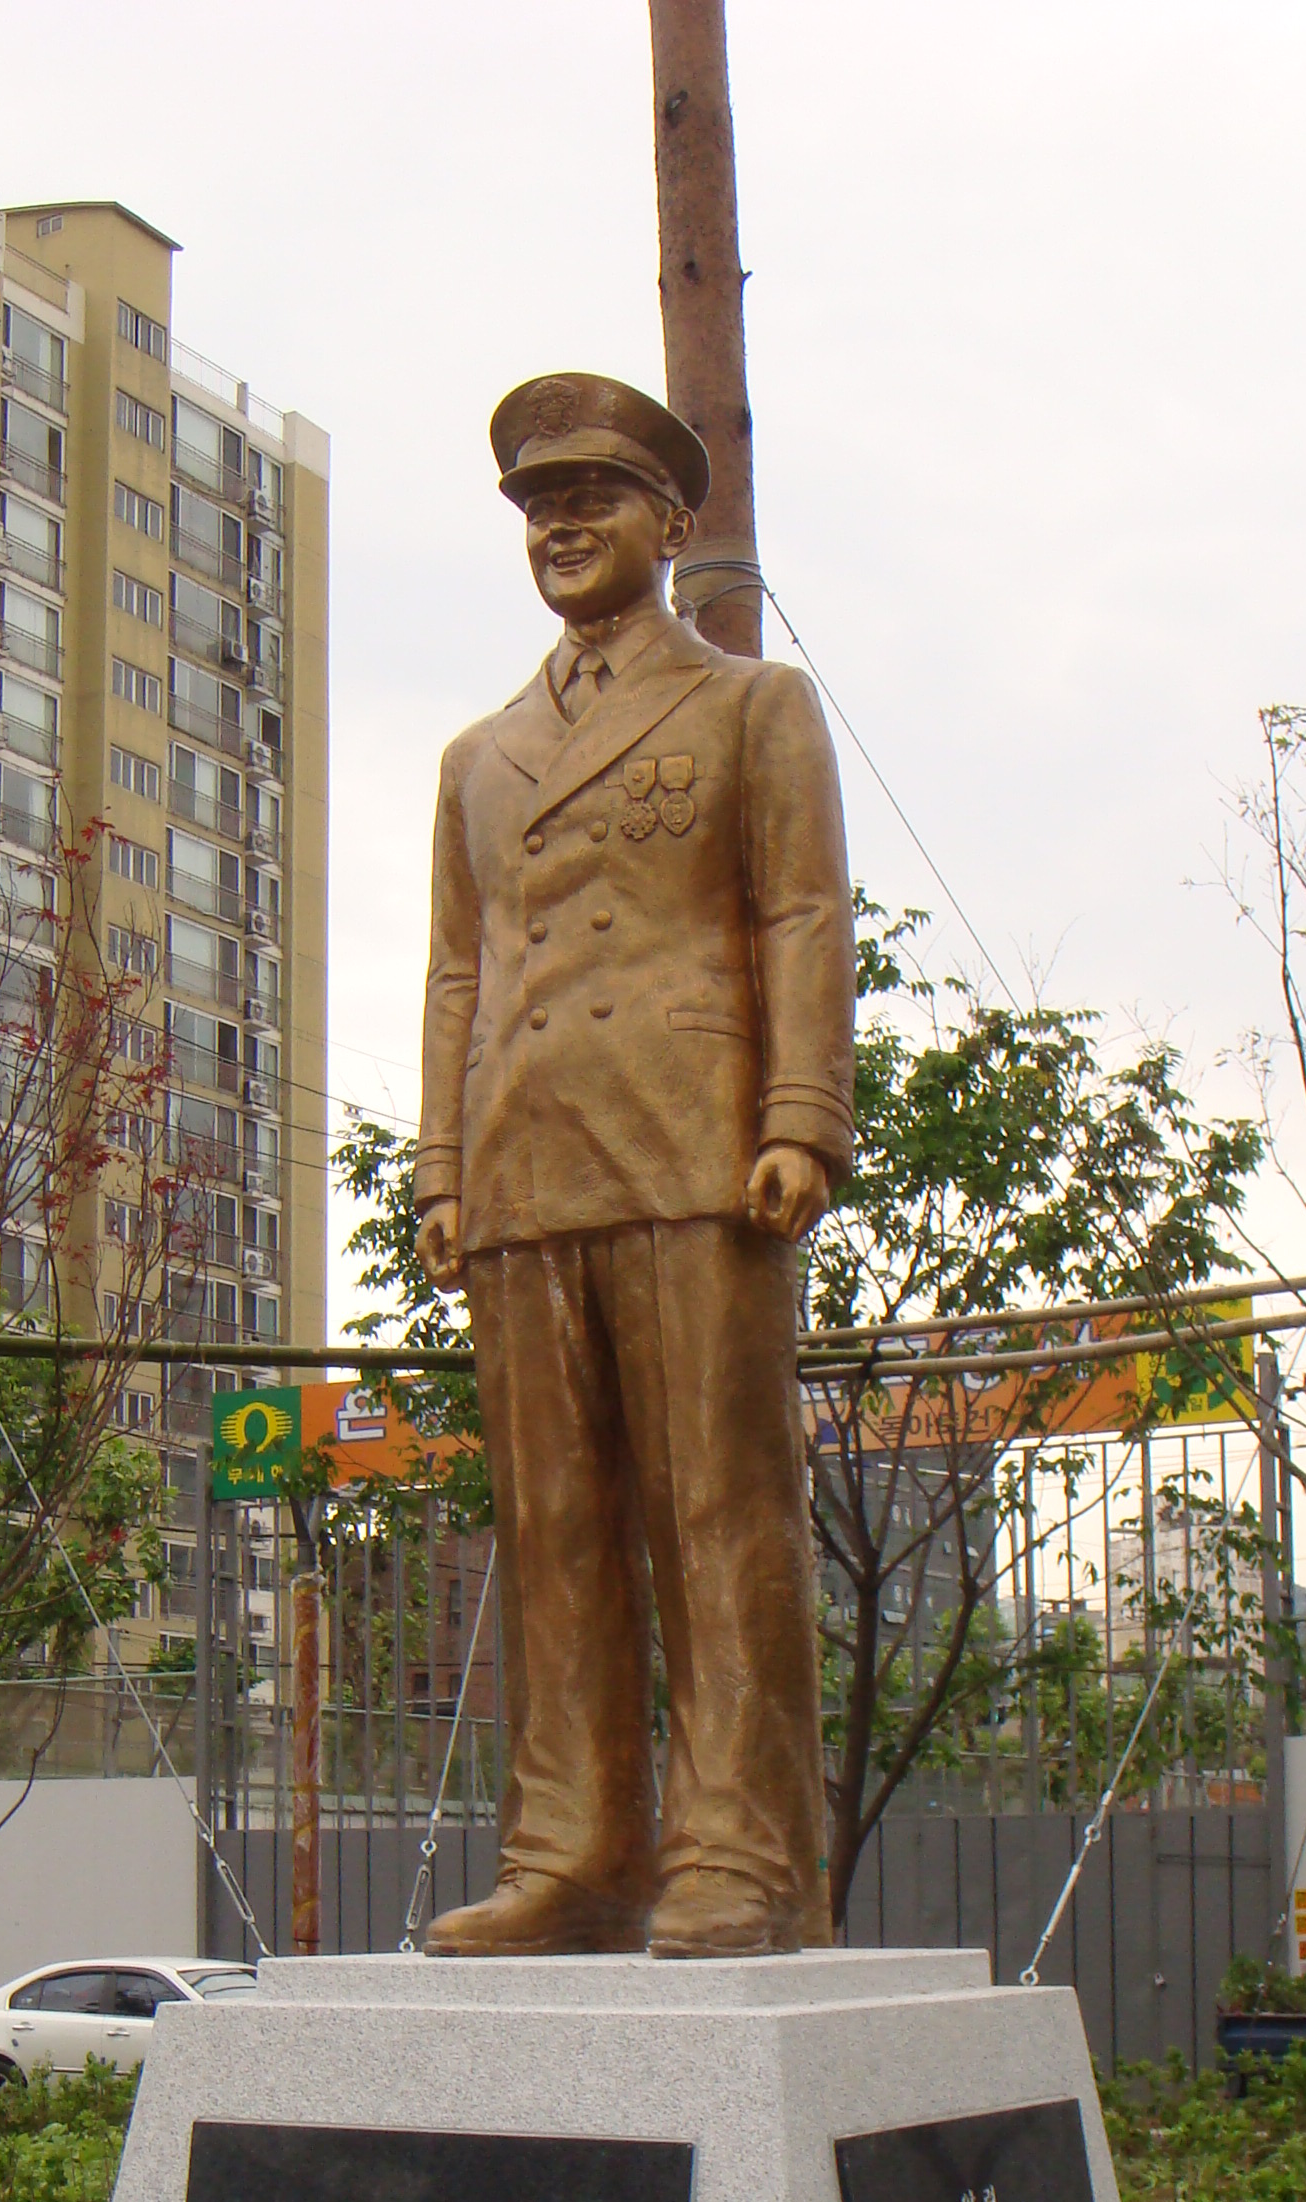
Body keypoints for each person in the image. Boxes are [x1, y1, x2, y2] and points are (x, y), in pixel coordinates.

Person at [414, 372, 852, 1957]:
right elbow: (457, 972)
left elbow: (801, 910)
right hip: (526, 1155)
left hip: (688, 1141)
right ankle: (574, 1852)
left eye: (593, 498)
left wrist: (799, 1115)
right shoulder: (478, 755)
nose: (561, 525)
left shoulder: (750, 706)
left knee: (718, 1510)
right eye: (540, 504)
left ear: (670, 524)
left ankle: (739, 1850)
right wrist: (442, 1171)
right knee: (552, 1528)